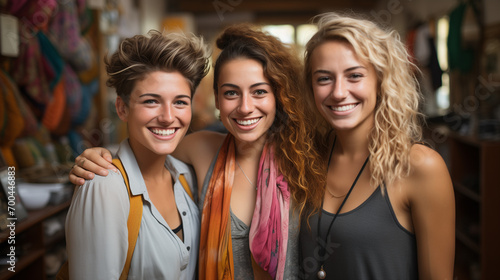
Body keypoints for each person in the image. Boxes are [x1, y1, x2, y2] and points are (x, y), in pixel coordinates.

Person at [68, 24, 324, 280]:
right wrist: (97, 155)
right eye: (231, 93)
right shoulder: (202, 149)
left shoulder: (305, 158)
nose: (245, 107)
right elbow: (146, 148)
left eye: (259, 91)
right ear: (217, 99)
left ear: (278, 95)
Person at [299, 12, 455, 279]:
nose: (338, 92)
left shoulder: (419, 166)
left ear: (381, 81)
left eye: (354, 75)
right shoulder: (307, 158)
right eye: (324, 78)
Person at [64, 30, 210, 279]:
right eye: (151, 101)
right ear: (122, 108)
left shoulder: (187, 177)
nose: (167, 117)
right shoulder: (103, 187)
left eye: (180, 102)